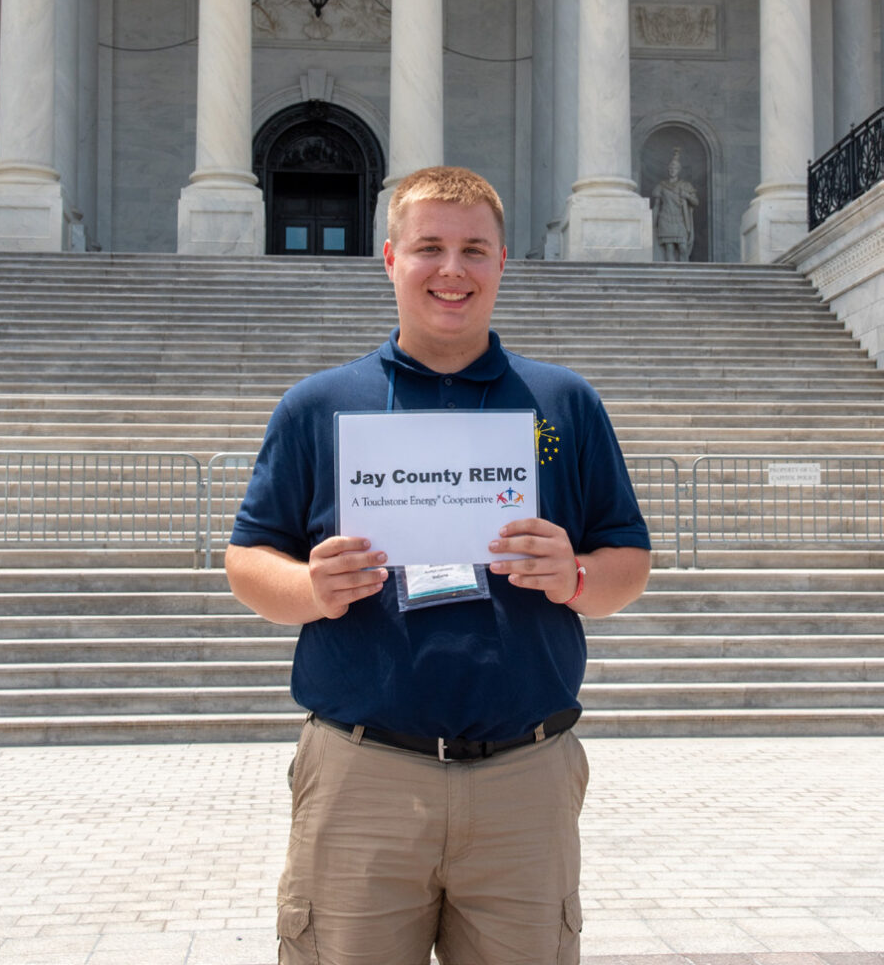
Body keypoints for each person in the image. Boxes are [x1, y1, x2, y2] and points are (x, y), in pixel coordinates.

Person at [225, 166, 651, 965]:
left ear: (501, 263)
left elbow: (629, 559)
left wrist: (576, 577)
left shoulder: (562, 404)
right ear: (388, 258)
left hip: (525, 777)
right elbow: (248, 559)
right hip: (362, 773)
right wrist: (309, 588)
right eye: (429, 248)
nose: (451, 271)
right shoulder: (319, 405)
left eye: (473, 250)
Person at [652, 147, 699, 261]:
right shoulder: (661, 186)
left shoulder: (685, 185)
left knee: (683, 247)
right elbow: (657, 205)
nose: (673, 170)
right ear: (668, 169)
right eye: (671, 168)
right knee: (669, 248)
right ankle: (670, 274)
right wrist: (652, 222)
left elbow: (696, 202)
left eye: (675, 168)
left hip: (680, 219)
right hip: (665, 218)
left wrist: (687, 196)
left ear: (679, 170)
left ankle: (684, 272)